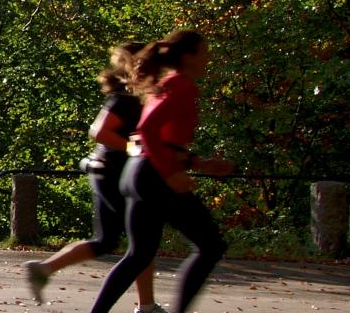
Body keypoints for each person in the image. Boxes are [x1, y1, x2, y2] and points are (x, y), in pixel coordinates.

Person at [89, 30, 235, 313]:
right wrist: (171, 173)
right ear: (189, 56)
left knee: (139, 255)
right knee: (211, 245)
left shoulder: (166, 84)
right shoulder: (181, 85)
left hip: (138, 172)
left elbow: (158, 140)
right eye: (205, 51)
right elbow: (148, 130)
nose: (208, 58)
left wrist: (199, 163)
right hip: (154, 177)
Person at [22, 42, 166, 313]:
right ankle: (146, 307)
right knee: (140, 241)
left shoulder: (136, 97)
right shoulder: (125, 99)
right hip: (113, 173)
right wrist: (134, 149)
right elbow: (99, 132)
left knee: (117, 241)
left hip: (109, 172)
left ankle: (44, 269)